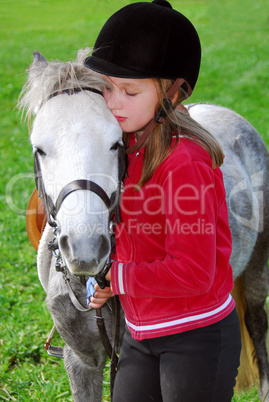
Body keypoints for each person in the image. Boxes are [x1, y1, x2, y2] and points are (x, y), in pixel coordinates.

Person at [84, 1, 241, 401]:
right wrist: (109, 279)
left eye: (129, 91)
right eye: (106, 86)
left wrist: (118, 278)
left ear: (173, 91)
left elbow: (193, 272)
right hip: (143, 331)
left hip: (196, 335)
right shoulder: (126, 150)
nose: (113, 101)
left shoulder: (185, 162)